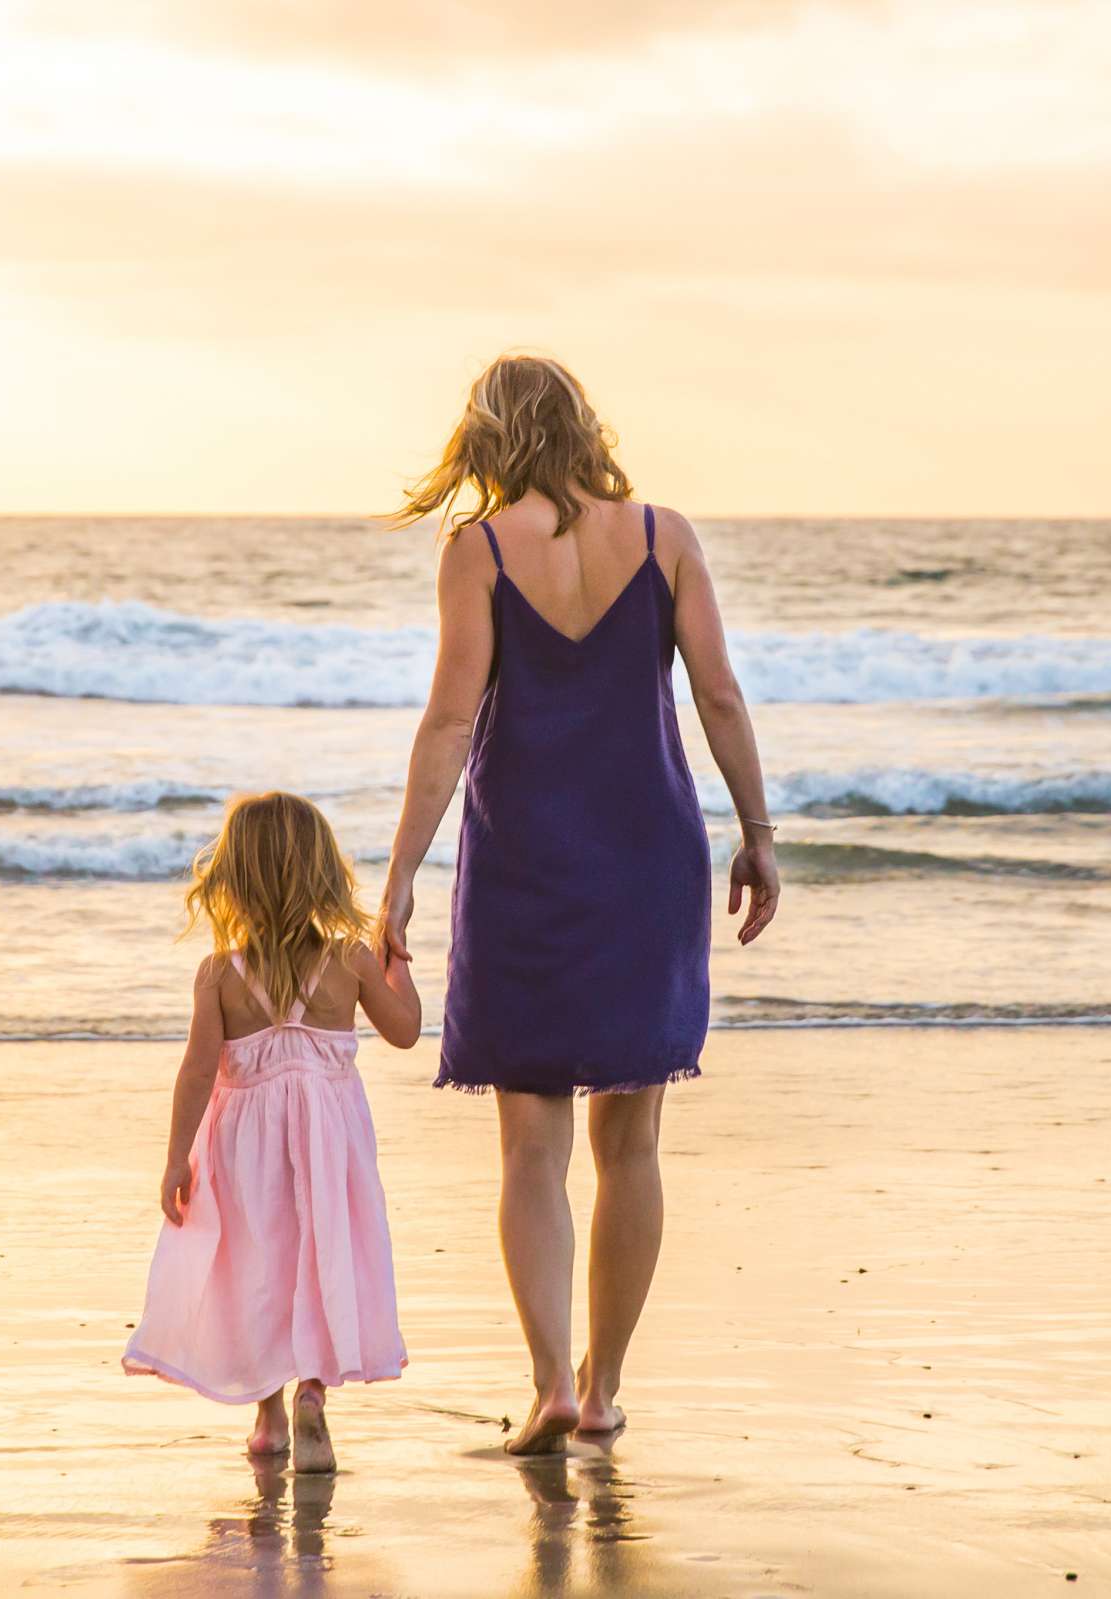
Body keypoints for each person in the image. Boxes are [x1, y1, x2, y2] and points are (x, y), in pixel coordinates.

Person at [376, 352, 781, 1455]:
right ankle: (602, 1393)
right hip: (649, 856)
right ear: (584, 425)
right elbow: (721, 697)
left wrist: (404, 873)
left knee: (529, 1147)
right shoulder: (665, 536)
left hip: (525, 862)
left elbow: (449, 726)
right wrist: (758, 834)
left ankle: (553, 1385)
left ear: (489, 439)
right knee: (633, 1143)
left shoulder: (477, 552)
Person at [123, 792, 423, 1473]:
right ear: (323, 873)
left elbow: (197, 1072)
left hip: (245, 1148)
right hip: (329, 1143)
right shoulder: (349, 961)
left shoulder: (219, 975)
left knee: (260, 1264)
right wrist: (395, 958)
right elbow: (405, 1030)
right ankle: (313, 1391)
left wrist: (176, 1157)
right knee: (319, 1255)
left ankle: (268, 1413)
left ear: (231, 878)